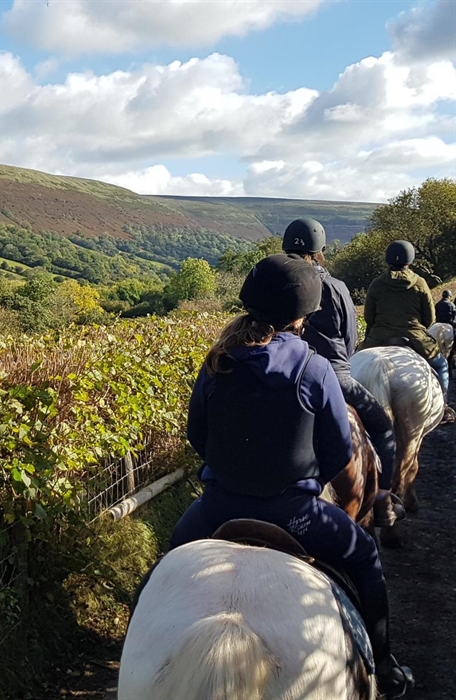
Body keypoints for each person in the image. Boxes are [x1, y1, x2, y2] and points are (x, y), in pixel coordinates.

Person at [169, 254, 412, 696]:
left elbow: (196, 435)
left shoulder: (216, 361)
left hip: (218, 506)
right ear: (302, 314)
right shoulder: (314, 368)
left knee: (163, 569)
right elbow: (339, 453)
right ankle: (383, 663)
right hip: (297, 514)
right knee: (364, 561)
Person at [281, 219, 402, 526]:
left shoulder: (276, 280)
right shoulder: (335, 287)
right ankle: (382, 501)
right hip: (334, 377)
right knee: (384, 429)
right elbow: (349, 341)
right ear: (319, 251)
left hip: (282, 373)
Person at [359, 240, 454, 422]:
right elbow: (430, 318)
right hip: (415, 338)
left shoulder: (377, 284)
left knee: (352, 363)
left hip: (379, 338)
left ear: (388, 260)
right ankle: (443, 406)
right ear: (410, 260)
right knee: (441, 365)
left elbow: (369, 317)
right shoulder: (420, 283)